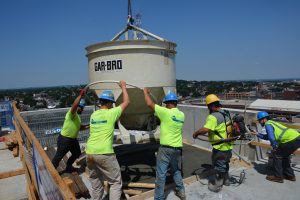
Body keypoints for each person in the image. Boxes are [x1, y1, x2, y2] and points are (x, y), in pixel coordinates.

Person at [86, 80, 129, 200]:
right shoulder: (111, 113)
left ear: (100, 102)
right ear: (110, 103)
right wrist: (123, 87)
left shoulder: (94, 115)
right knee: (115, 183)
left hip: (89, 152)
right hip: (104, 152)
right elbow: (126, 102)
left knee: (95, 181)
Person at [143, 89, 186, 200]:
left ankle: (159, 198)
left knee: (161, 174)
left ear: (167, 103)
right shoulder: (181, 115)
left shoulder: (165, 112)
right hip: (177, 148)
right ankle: (181, 192)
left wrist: (145, 92)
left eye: (166, 104)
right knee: (175, 170)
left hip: (166, 149)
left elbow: (149, 104)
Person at [192, 94, 233, 192]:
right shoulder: (226, 113)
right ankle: (226, 181)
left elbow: (205, 129)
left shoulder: (213, 117)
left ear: (210, 106)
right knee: (225, 164)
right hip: (228, 145)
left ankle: (216, 186)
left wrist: (196, 133)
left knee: (219, 166)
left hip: (220, 147)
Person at [252, 111, 300, 183]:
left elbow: (271, 138)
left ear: (264, 119)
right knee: (284, 156)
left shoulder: (267, 125)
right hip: (296, 138)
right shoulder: (271, 122)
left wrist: (274, 147)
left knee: (277, 155)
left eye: (259, 120)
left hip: (291, 140)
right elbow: (268, 137)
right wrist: (257, 134)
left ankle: (278, 177)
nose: (259, 122)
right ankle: (290, 175)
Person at [52, 89, 90, 173]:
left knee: (77, 153)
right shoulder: (71, 114)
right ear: (78, 107)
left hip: (72, 140)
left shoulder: (77, 117)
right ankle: (51, 172)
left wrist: (90, 126)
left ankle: (68, 166)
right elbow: (75, 104)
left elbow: (79, 128)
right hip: (64, 139)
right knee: (59, 156)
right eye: (82, 107)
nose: (82, 110)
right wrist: (80, 95)